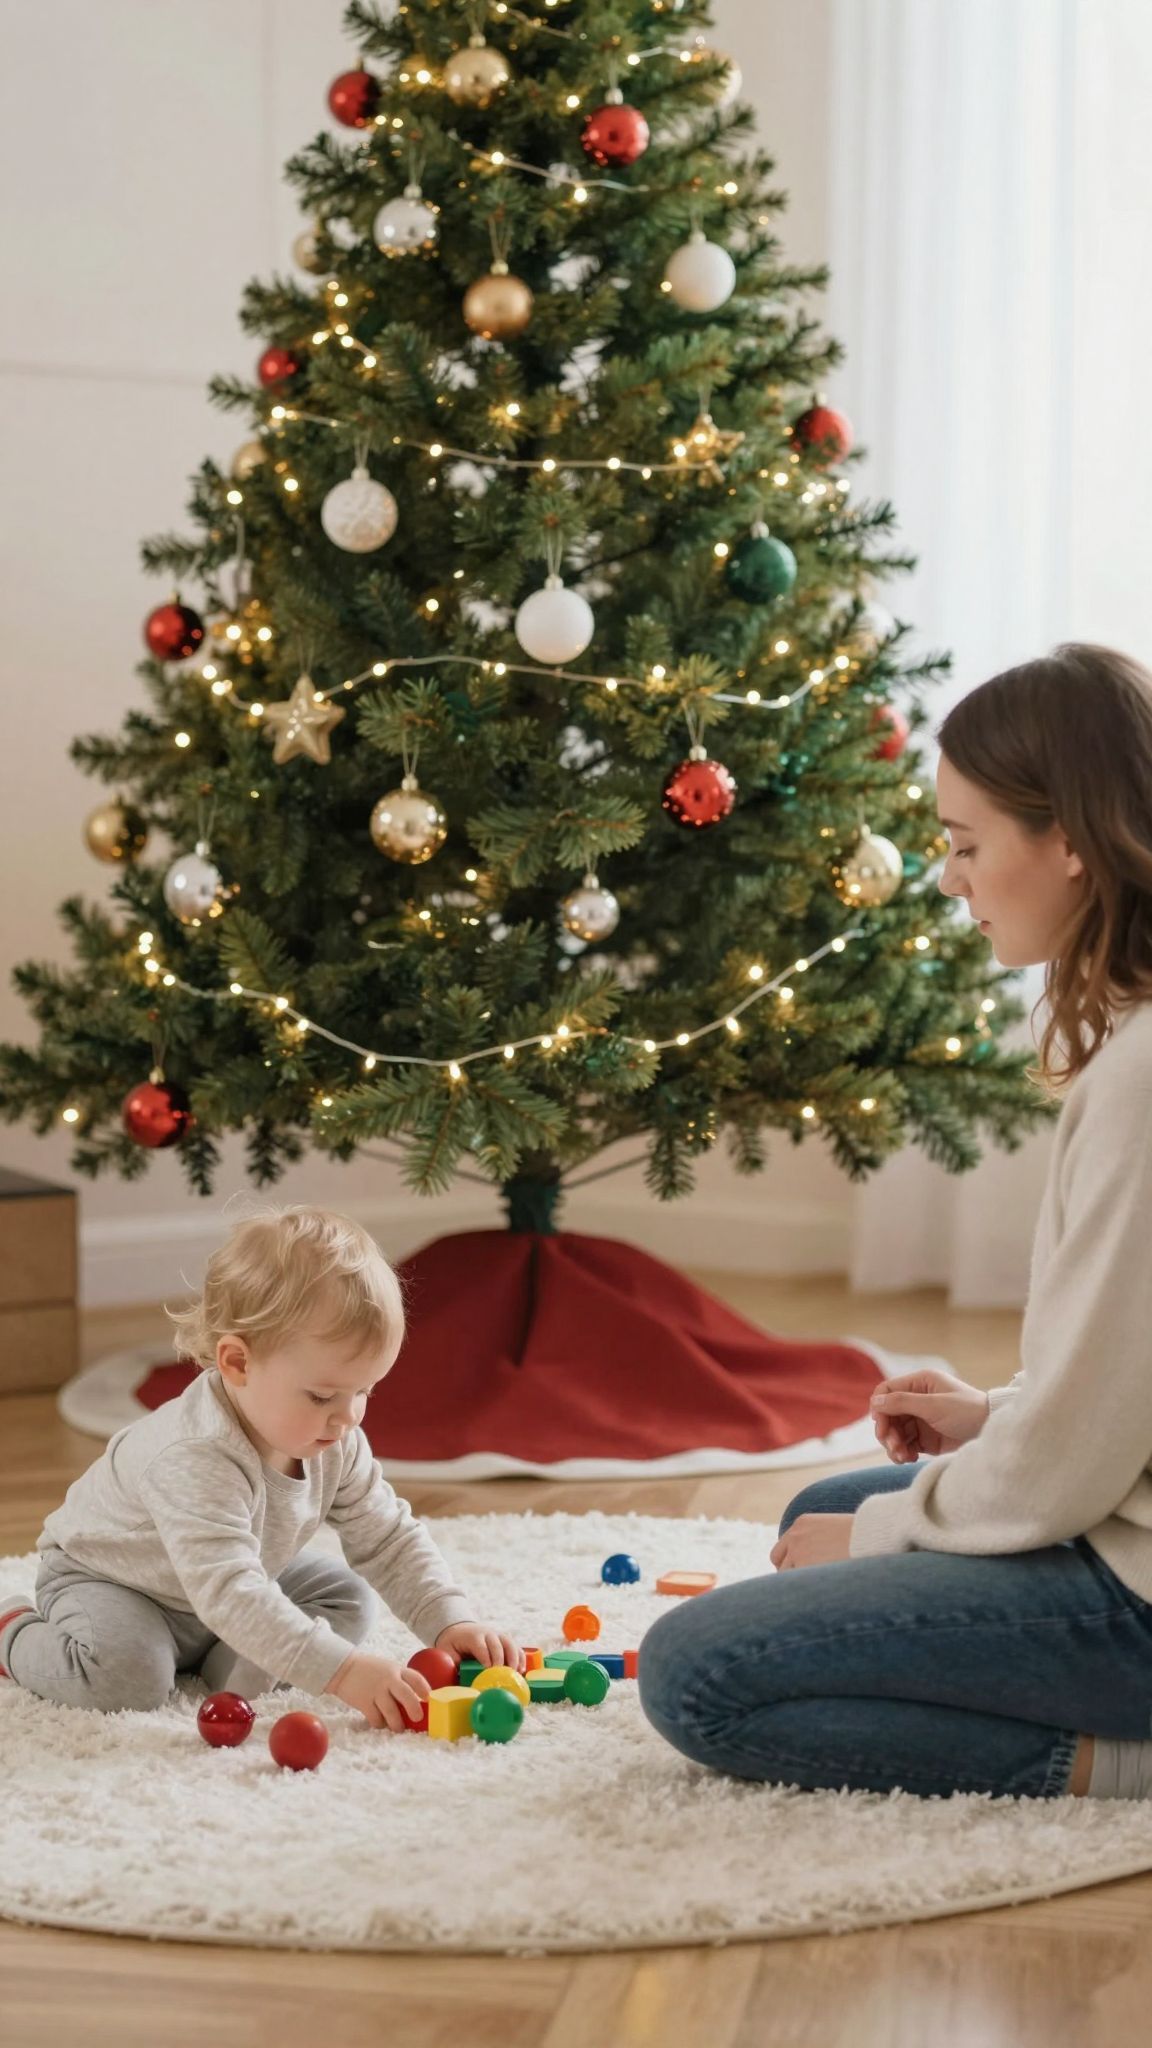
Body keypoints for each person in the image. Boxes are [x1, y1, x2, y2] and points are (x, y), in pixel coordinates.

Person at [639, 642, 1152, 1801]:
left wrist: (891, 1535)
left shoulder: (1144, 1081)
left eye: (968, 845)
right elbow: (1123, 1378)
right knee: (819, 1507)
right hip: (1122, 1526)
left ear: (1069, 838)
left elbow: (1069, 1468)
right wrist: (992, 1417)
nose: (949, 877)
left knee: (700, 1674)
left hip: (1141, 1601)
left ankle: (1113, 1761)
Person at [0, 1205, 523, 1726]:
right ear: (238, 1363)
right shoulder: (194, 1455)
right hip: (115, 1582)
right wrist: (342, 1673)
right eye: (322, 1395)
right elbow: (228, 1590)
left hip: (233, 1575)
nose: (347, 1417)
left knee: (348, 1599)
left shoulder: (336, 1438)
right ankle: (13, 1630)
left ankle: (229, 1657)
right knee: (128, 1679)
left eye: (364, 1390)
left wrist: (450, 1621)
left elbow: (387, 1539)